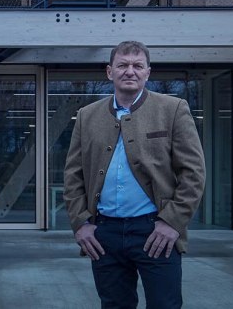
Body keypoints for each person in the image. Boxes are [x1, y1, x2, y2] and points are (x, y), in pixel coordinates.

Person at [63, 40, 206, 309]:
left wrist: (172, 223)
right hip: (103, 234)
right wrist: (80, 223)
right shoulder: (86, 116)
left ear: (148, 73)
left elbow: (194, 173)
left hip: (156, 231)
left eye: (138, 65)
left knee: (165, 304)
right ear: (110, 72)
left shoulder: (173, 109)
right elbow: (73, 175)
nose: (130, 71)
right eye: (123, 65)